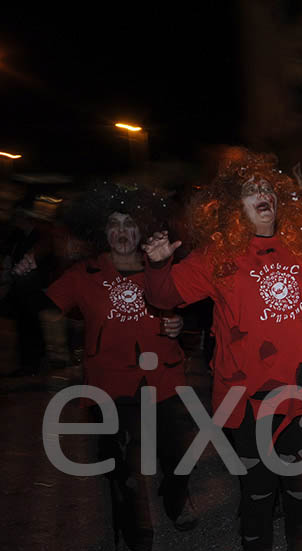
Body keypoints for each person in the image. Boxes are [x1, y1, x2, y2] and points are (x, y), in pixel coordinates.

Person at [142, 150, 302, 551]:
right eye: (252, 190)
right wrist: (159, 264)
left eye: (268, 188)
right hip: (248, 397)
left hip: (301, 392)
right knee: (258, 492)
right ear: (235, 207)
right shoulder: (217, 257)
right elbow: (163, 295)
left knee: (299, 488)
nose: (263, 193)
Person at [43, 183, 195, 551]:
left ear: (142, 229)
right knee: (119, 469)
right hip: (108, 384)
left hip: (163, 377)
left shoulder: (161, 266)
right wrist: (57, 351)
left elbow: (183, 308)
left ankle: (174, 498)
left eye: (130, 224)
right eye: (115, 224)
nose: (123, 232)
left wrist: (178, 323)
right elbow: (48, 309)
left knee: (178, 455)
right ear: (103, 230)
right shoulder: (84, 273)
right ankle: (133, 535)